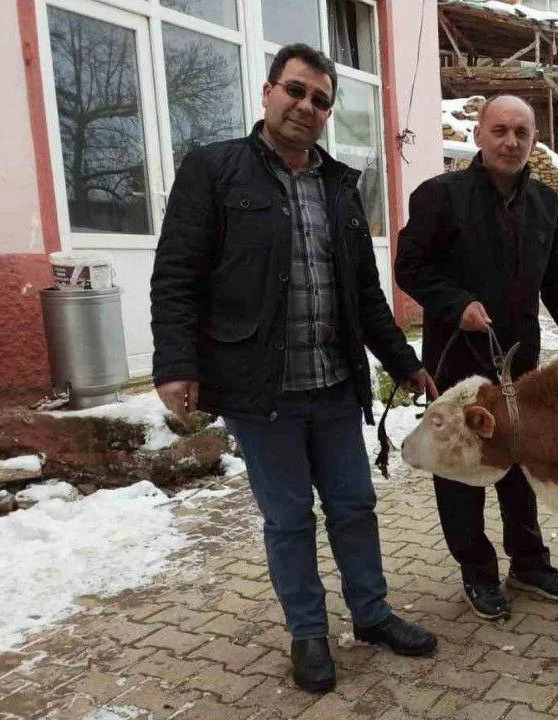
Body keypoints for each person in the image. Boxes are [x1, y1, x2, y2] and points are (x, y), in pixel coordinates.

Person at [150, 44, 438, 694]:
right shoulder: (214, 170)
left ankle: (371, 614)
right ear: (268, 91)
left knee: (355, 506)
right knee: (288, 519)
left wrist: (403, 362)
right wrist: (175, 363)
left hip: (334, 385)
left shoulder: (339, 186)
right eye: (296, 91)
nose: (307, 106)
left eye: (321, 100)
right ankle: (308, 634)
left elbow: (364, 293)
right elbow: (177, 277)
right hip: (262, 392)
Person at [395, 95, 558, 621]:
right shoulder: (440, 196)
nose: (511, 142)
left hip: (519, 364)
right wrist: (456, 304)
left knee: (519, 464)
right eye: (500, 130)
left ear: (534, 141)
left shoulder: (544, 202)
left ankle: (528, 562)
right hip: (456, 359)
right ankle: (477, 570)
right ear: (479, 135)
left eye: (521, 133)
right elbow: (409, 268)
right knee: (459, 466)